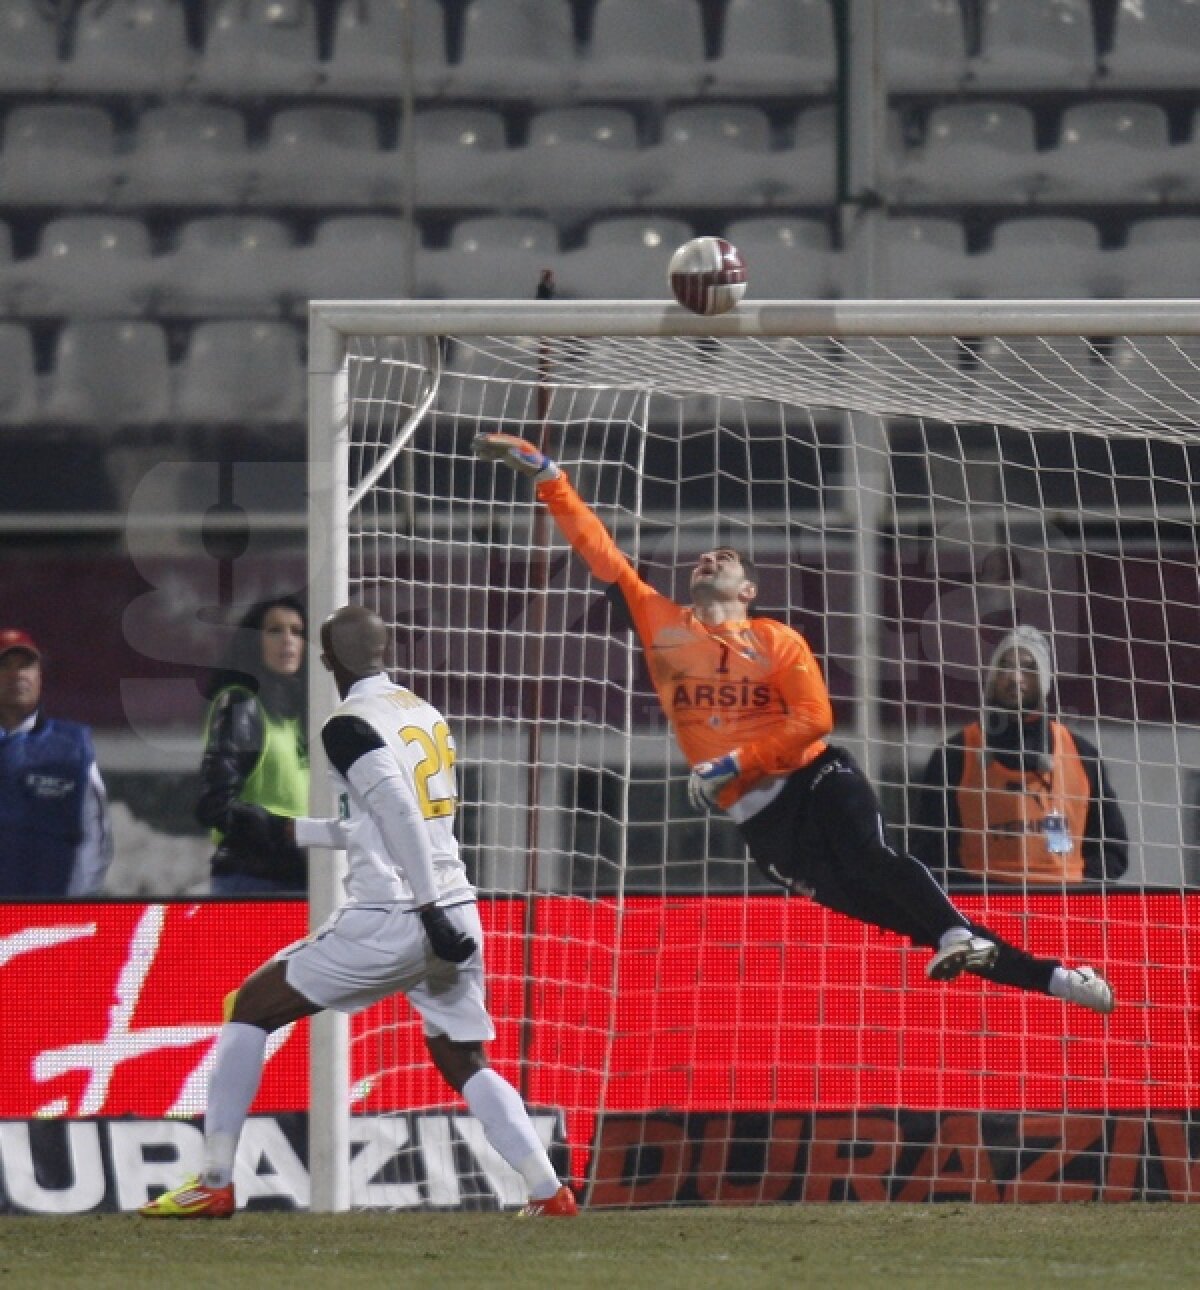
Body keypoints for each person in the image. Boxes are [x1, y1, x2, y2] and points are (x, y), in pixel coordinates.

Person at [472, 432, 1115, 1015]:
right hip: (763, 823)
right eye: (703, 556)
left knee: (877, 860)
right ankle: (1057, 979)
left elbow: (815, 718)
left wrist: (735, 762)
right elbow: (600, 552)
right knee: (907, 917)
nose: (708, 559)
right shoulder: (663, 627)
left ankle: (963, 938)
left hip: (815, 777)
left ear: (748, 590)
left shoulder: (777, 641)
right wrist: (549, 476)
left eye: (725, 558)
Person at [140, 604, 576, 1219]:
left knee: (248, 1009)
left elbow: (397, 811)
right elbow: (385, 823)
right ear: (385, 651)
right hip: (458, 904)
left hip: (398, 915)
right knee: (462, 1056)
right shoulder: (421, 712)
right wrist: (296, 834)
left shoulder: (348, 723)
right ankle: (546, 1190)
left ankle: (213, 1181)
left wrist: (425, 912)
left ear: (326, 661)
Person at [910, 625, 1129, 887]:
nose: (1015, 677)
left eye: (1028, 667)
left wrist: (1079, 888)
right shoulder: (954, 756)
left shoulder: (1081, 755)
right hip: (982, 907)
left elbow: (1113, 849)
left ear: (1045, 679)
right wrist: (968, 891)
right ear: (991, 677)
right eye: (1005, 665)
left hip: (1065, 907)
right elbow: (926, 852)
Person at [195, 596, 310, 895]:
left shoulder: (309, 712)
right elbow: (215, 805)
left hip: (310, 879)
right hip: (254, 880)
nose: (288, 640)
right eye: (275, 631)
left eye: (297, 631)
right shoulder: (241, 706)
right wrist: (281, 830)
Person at [0, 628, 113, 897]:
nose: (17, 674)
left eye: (26, 665)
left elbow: (95, 837)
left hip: (48, 922)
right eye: (5, 665)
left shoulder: (72, 747)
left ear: (39, 676)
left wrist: (70, 909)